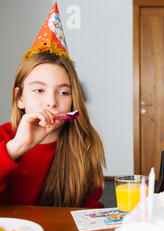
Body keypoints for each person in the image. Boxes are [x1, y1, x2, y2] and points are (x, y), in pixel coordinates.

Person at [0, 3, 105, 208]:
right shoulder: (4, 138)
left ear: (73, 101)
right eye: (39, 90)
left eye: (63, 92)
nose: (52, 102)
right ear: (19, 98)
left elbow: (89, 211)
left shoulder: (85, 144)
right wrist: (16, 147)